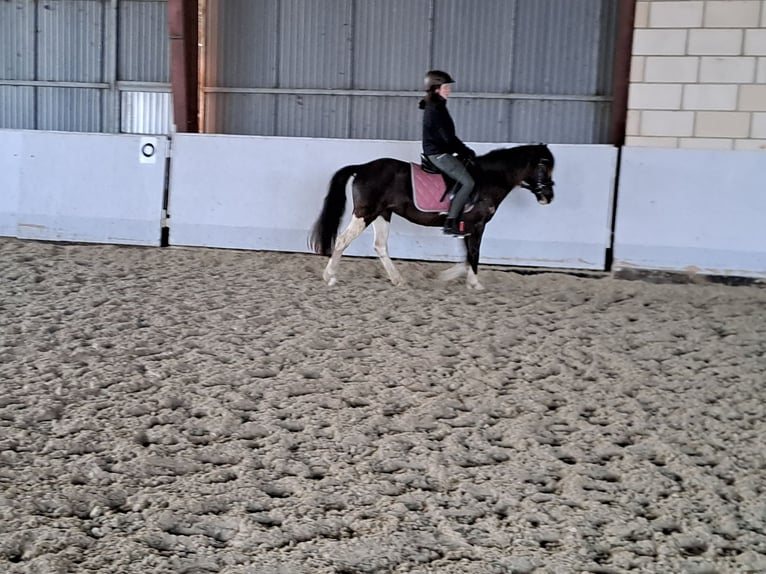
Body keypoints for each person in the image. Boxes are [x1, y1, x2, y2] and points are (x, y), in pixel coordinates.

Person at [419, 70, 476, 237]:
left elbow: (448, 138)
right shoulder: (436, 109)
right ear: (436, 88)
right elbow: (448, 138)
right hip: (438, 154)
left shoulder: (437, 106)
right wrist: (465, 150)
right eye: (446, 87)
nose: (448, 90)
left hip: (439, 150)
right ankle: (451, 222)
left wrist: (461, 150)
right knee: (468, 183)